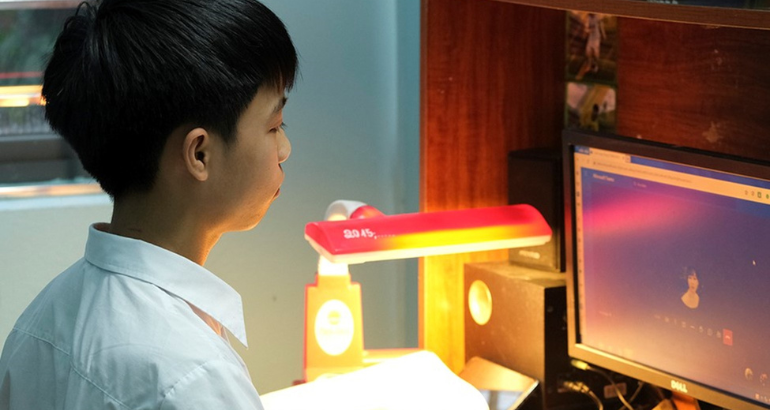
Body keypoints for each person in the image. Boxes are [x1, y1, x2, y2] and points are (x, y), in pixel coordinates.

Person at [0, 0, 298, 408]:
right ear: (199, 154)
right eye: (274, 126)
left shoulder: (36, 325)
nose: (284, 149)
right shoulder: (194, 380)